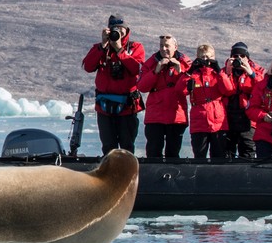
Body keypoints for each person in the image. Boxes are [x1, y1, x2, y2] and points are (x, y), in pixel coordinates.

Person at [81, 15, 147, 154]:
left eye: (120, 29)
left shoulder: (135, 47)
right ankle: (108, 173)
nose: (117, 32)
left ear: (126, 30)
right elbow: (88, 66)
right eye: (113, 29)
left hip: (127, 107)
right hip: (104, 107)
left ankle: (127, 174)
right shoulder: (101, 48)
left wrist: (119, 50)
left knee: (126, 146)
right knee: (108, 146)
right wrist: (102, 45)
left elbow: (137, 69)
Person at [137, 34, 191, 158]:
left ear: (175, 47)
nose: (163, 49)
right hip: (155, 115)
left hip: (176, 116)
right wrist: (156, 70)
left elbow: (187, 90)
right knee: (153, 152)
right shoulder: (152, 62)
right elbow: (142, 87)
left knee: (173, 153)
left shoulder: (185, 62)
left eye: (167, 46)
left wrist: (180, 71)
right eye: (161, 46)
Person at [185, 44, 235, 160]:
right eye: (202, 57)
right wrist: (189, 71)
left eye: (208, 57)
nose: (205, 60)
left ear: (213, 57)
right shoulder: (193, 75)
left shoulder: (218, 74)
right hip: (199, 122)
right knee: (199, 155)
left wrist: (219, 72)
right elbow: (180, 90)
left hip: (218, 121)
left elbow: (229, 90)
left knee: (218, 156)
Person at [223, 42, 265, 159]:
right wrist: (227, 72)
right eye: (235, 56)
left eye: (242, 56)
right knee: (226, 152)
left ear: (247, 58)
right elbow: (221, 88)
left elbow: (263, 87)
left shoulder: (257, 72)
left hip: (248, 120)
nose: (239, 59)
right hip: (228, 118)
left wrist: (250, 73)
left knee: (248, 152)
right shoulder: (224, 71)